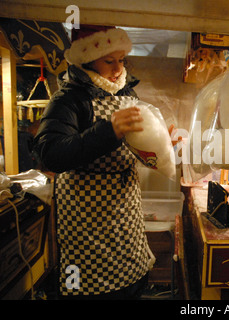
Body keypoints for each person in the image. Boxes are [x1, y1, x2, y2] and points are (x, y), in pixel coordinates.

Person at [34, 25, 156, 299]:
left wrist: (158, 145)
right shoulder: (68, 99)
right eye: (108, 61)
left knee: (130, 280)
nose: (117, 69)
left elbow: (136, 145)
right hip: (87, 217)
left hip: (125, 211)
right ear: (87, 60)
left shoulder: (127, 94)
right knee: (91, 287)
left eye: (121, 59)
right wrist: (108, 130)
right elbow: (50, 153)